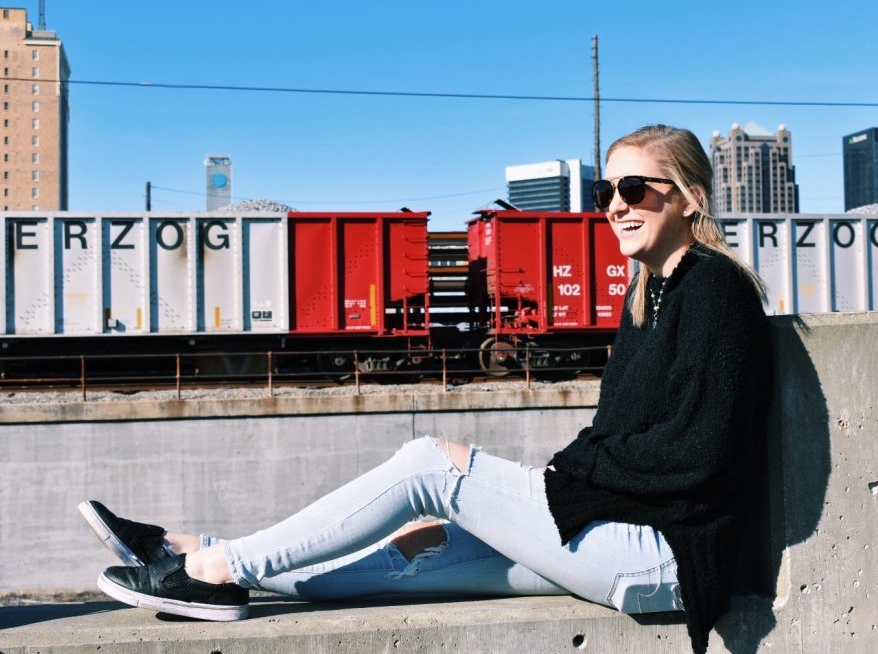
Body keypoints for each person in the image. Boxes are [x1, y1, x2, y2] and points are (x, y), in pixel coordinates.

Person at [81, 124, 769, 654]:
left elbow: (698, 454)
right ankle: (203, 558)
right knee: (409, 555)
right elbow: (614, 436)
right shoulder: (648, 295)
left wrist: (550, 483)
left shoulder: (715, 291)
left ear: (688, 198)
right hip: (611, 531)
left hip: (662, 556)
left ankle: (213, 564)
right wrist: (550, 480)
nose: (615, 207)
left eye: (635, 191)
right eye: (605, 193)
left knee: (430, 463)